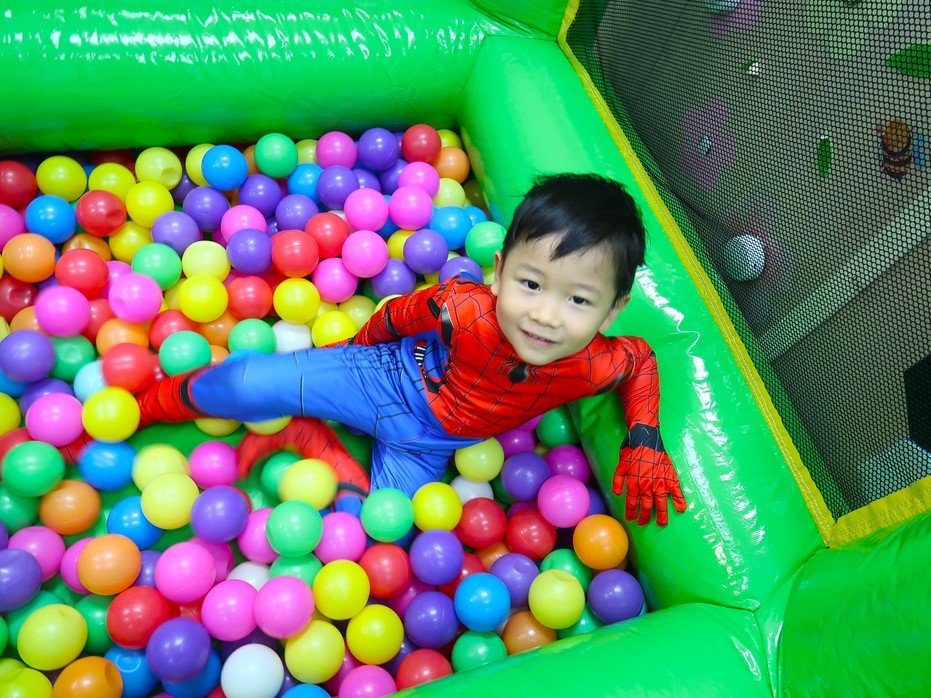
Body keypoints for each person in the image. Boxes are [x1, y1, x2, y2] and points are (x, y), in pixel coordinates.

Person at [137, 173, 687, 526]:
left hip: (430, 446)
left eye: (579, 300)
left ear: (611, 312)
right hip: (383, 378)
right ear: (499, 274)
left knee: (384, 528)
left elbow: (640, 361)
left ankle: (315, 441)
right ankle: (145, 406)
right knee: (245, 384)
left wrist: (644, 438)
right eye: (531, 284)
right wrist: (348, 356)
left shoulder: (596, 363)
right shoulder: (462, 308)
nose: (545, 315)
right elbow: (397, 315)